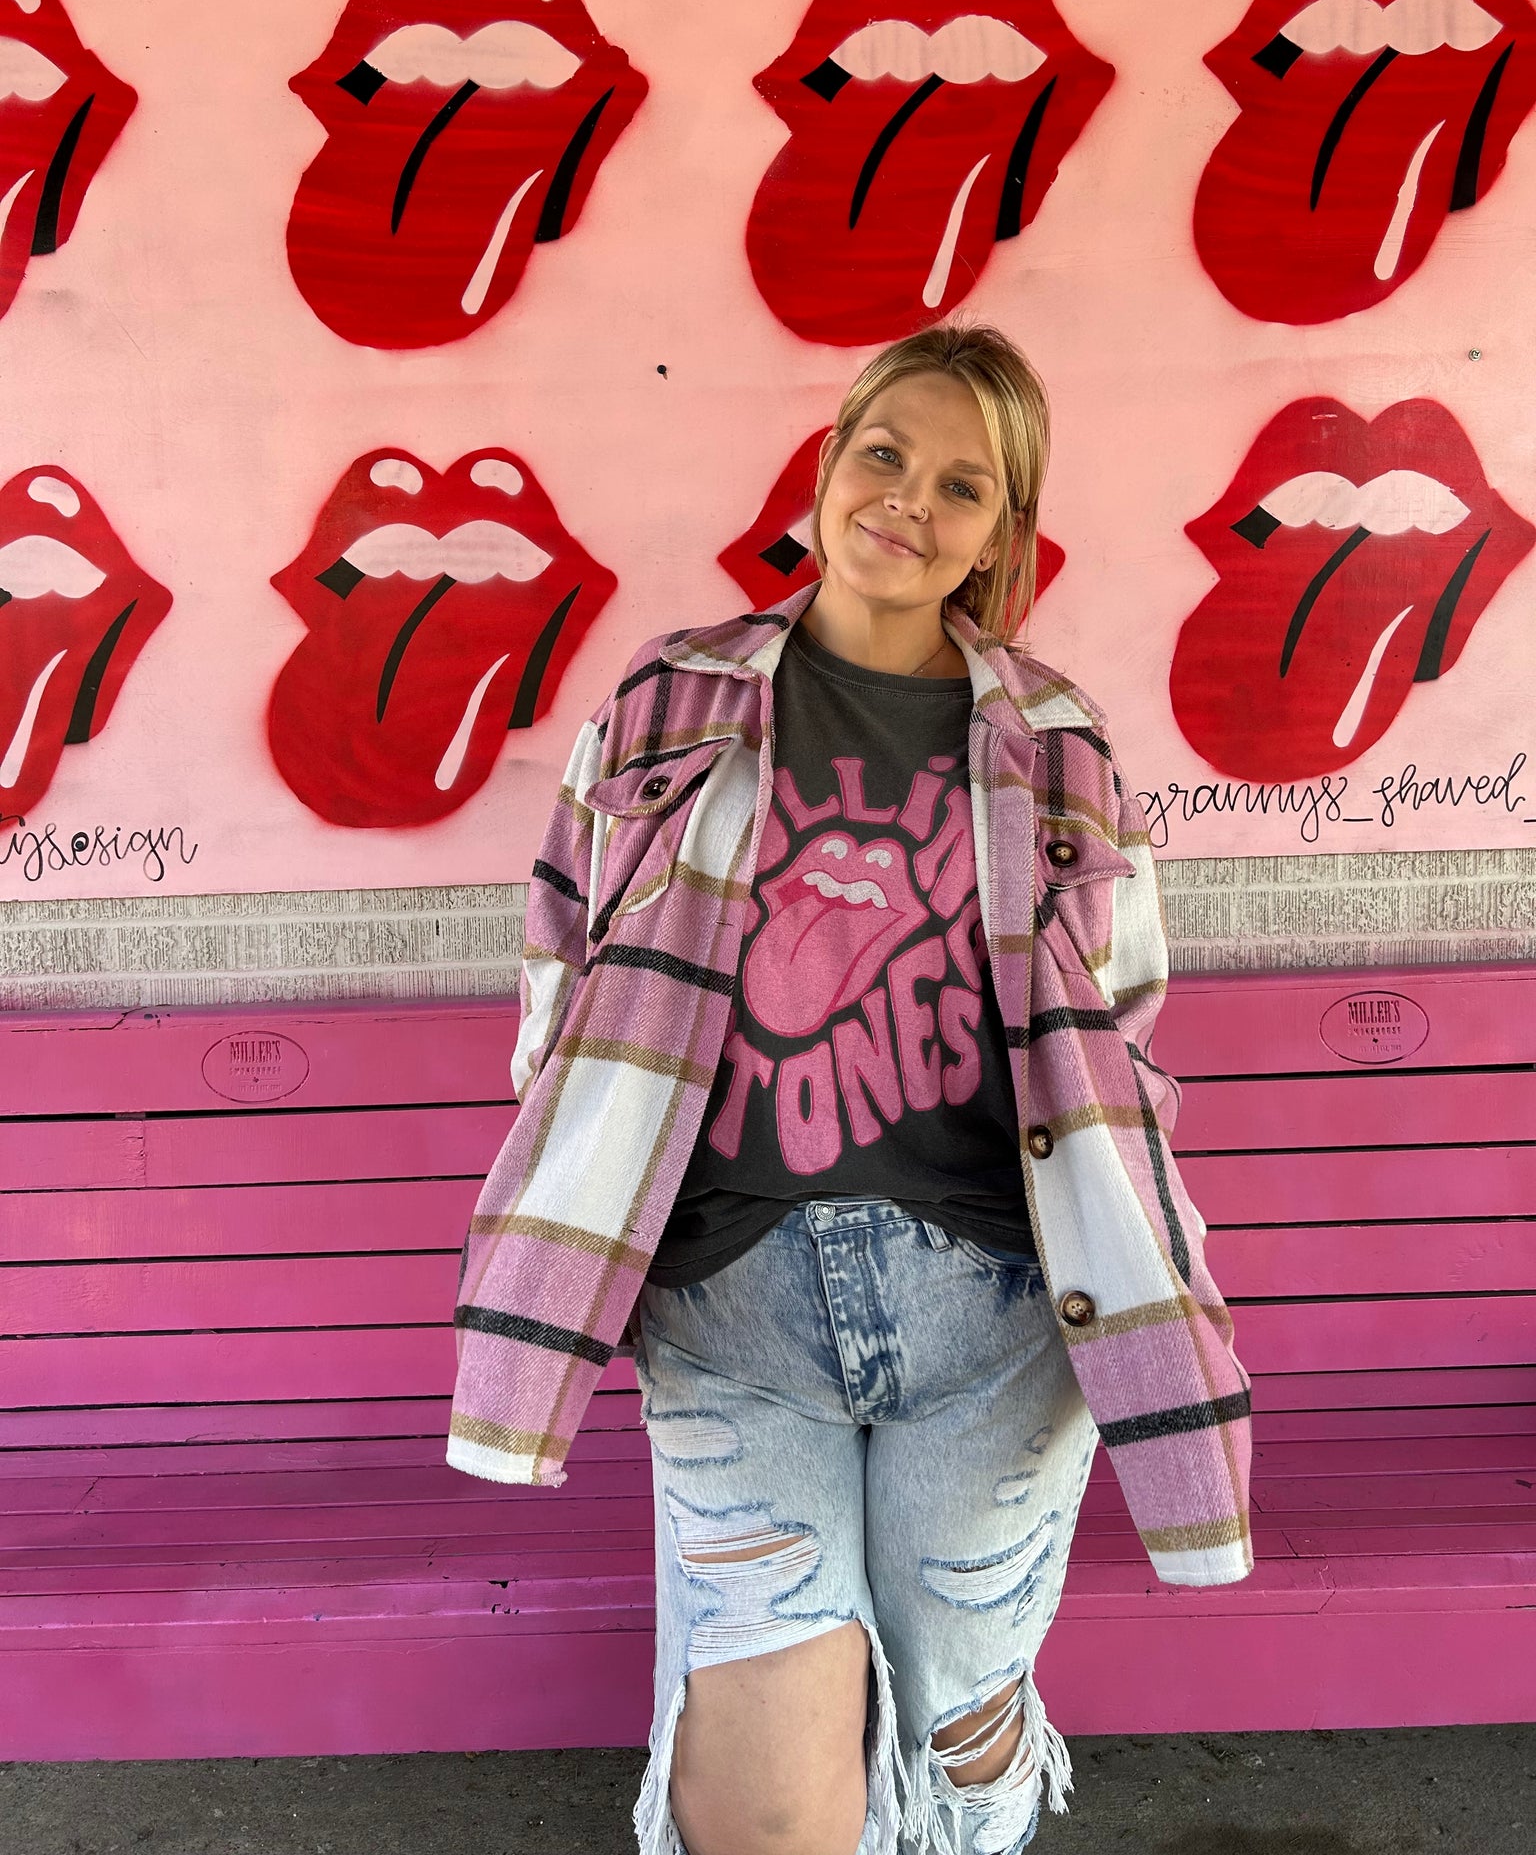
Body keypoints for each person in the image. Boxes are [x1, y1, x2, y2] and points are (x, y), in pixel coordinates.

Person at [447, 321, 1254, 1855]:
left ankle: (972, 1782)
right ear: (826, 467)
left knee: (962, 1723)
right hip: (732, 1309)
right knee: (767, 1804)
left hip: (997, 1318)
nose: (908, 500)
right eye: (884, 454)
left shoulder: (1056, 737)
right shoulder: (671, 697)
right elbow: (561, 949)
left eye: (963, 484)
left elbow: (1125, 1018)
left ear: (1001, 534)